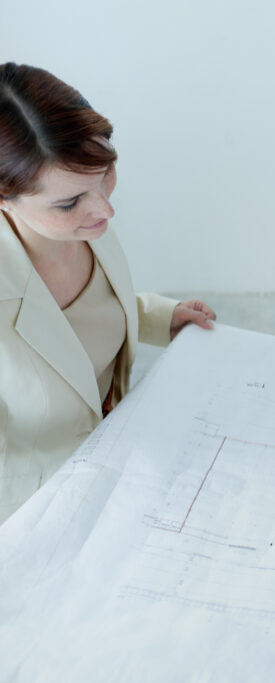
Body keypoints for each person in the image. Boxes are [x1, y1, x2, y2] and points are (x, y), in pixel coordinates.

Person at [0, 63, 217, 523]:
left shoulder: (83, 224)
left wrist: (161, 316)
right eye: (69, 201)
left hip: (116, 462)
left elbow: (81, 321)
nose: (105, 209)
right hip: (33, 511)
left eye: (106, 175)